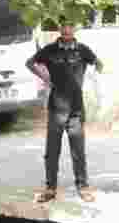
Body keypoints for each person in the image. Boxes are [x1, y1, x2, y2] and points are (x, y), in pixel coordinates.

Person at [26, 18, 103, 203]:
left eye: (70, 26)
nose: (67, 29)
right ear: (60, 28)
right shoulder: (50, 50)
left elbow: (99, 64)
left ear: (74, 28)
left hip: (76, 109)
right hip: (56, 108)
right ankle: (50, 188)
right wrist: (45, 77)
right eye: (64, 26)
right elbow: (30, 63)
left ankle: (83, 187)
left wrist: (93, 78)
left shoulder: (82, 50)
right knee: (52, 151)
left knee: (78, 151)